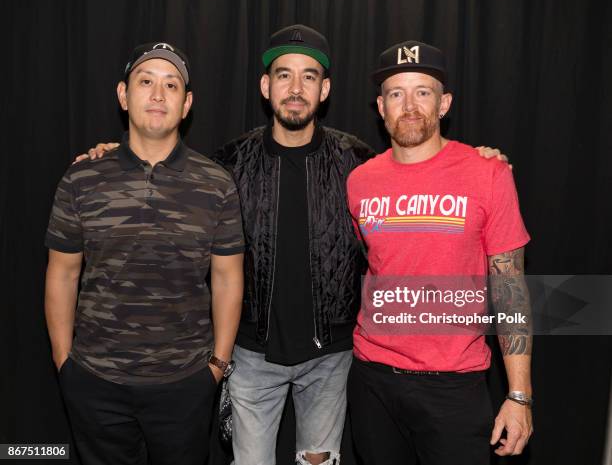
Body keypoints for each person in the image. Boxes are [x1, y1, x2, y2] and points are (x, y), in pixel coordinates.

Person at [77, 28, 509, 465]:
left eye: (309, 77)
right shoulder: (229, 163)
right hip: (250, 353)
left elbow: (418, 165)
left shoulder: (358, 163)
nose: (296, 89)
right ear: (267, 87)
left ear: (325, 90)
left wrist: (478, 160)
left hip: (334, 357)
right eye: (284, 76)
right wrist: (116, 156)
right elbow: (173, 168)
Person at [44, 42, 245, 465]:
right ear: (123, 94)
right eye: (146, 82)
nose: (158, 94)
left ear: (186, 103)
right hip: (95, 382)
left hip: (185, 382)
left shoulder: (216, 184)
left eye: (171, 85)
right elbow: (62, 274)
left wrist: (216, 366)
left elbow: (227, 277)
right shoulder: (82, 178)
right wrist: (65, 364)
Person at [346, 40, 533, 465]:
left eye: (423, 92)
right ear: (380, 107)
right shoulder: (359, 182)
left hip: (454, 387)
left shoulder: (488, 173)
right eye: (396, 93)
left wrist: (519, 395)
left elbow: (511, 290)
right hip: (372, 380)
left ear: (444, 103)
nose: (409, 105)